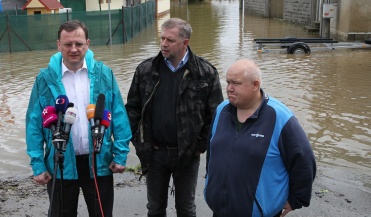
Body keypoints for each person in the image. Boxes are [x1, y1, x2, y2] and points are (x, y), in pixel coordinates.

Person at [25, 20, 132, 217]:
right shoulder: (44, 79)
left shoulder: (104, 74)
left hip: (99, 163)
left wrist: (120, 154)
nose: (73, 49)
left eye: (79, 44)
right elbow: (33, 124)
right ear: (58, 45)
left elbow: (119, 116)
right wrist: (38, 165)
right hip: (61, 165)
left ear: (87, 43)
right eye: (68, 44)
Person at [125, 17, 223, 217]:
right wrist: (139, 141)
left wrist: (199, 145)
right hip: (154, 153)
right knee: (155, 209)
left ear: (185, 42)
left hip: (187, 154)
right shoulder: (145, 70)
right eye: (162, 38)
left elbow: (215, 115)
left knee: (186, 209)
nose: (163, 44)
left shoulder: (205, 73)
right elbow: (133, 110)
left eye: (170, 40)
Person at [204, 59, 316, 217]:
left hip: (258, 212)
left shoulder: (280, 117)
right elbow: (212, 151)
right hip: (220, 209)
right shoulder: (222, 110)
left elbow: (304, 160)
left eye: (235, 83)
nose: (229, 88)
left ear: (255, 85)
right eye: (228, 82)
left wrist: (296, 199)